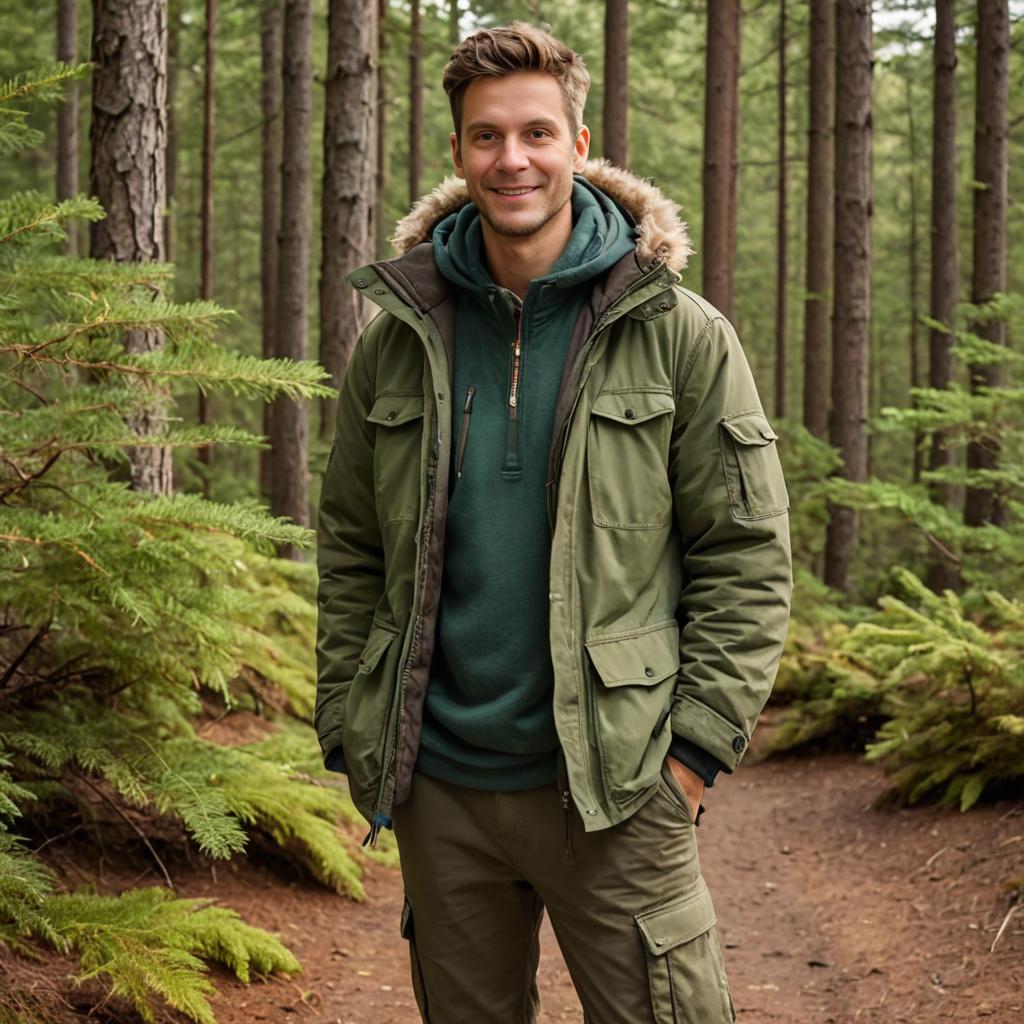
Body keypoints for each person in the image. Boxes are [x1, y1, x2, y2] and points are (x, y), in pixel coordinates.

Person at [315, 22, 792, 1024]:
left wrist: (691, 757)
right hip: (441, 793)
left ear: (578, 148)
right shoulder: (398, 340)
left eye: (536, 133)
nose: (511, 159)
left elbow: (745, 557)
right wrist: (345, 720)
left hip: (618, 791)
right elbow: (352, 546)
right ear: (457, 153)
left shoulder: (677, 332)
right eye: (486, 137)